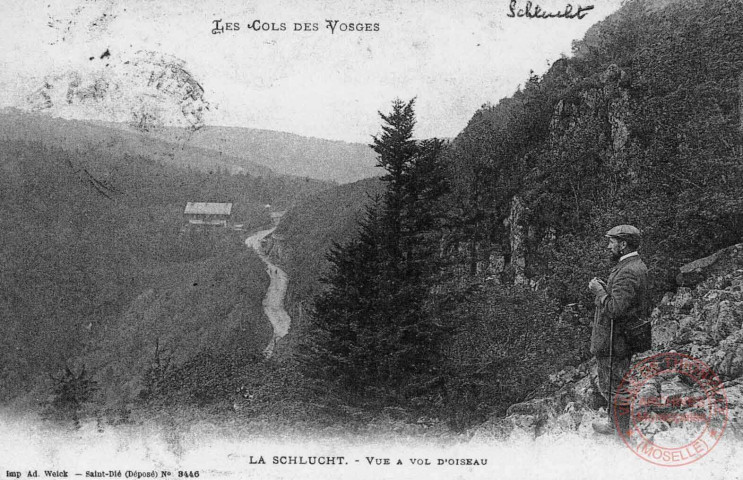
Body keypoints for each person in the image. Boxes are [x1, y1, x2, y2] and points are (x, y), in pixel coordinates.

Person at [588, 224, 651, 435]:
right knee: (614, 384)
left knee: (615, 387)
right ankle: (614, 424)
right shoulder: (632, 265)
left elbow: (615, 309)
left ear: (623, 245)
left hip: (616, 340)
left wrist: (599, 291)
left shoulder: (628, 271)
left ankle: (621, 434)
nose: (608, 246)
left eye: (612, 242)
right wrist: (607, 289)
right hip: (620, 338)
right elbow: (624, 301)